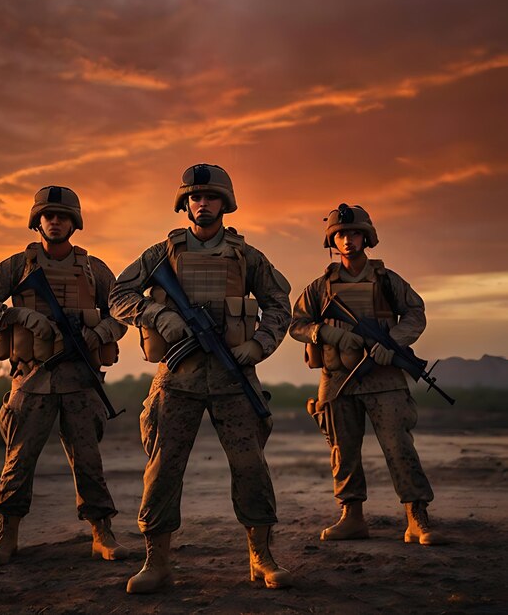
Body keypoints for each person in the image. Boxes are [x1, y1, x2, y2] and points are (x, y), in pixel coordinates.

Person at [109, 163, 293, 593]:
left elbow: (279, 305)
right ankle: (156, 563)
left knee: (251, 468)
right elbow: (119, 296)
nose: (203, 203)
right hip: (176, 379)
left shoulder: (248, 257)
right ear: (184, 204)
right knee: (162, 470)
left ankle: (261, 557)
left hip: (234, 378)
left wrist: (259, 345)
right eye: (195, 197)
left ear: (225, 204)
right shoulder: (160, 254)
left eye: (211, 197)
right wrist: (159, 315)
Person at [0, 185, 128, 566]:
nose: (55, 222)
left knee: (89, 461)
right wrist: (20, 315)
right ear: (37, 221)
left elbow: (123, 310)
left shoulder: (93, 269)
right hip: (32, 380)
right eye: (49, 216)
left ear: (75, 223)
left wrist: (97, 333)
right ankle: (7, 536)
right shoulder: (17, 267)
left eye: (63, 216)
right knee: (18, 461)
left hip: (80, 381)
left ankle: (101, 533)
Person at [289, 203, 445, 545]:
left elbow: (415, 313)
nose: (348, 240)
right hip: (338, 378)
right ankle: (352, 515)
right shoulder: (321, 287)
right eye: (341, 234)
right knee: (342, 451)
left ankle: (416, 516)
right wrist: (327, 333)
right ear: (333, 239)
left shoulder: (388, 281)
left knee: (399, 446)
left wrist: (393, 342)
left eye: (354, 233)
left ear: (367, 237)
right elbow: (296, 324)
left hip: (384, 378)